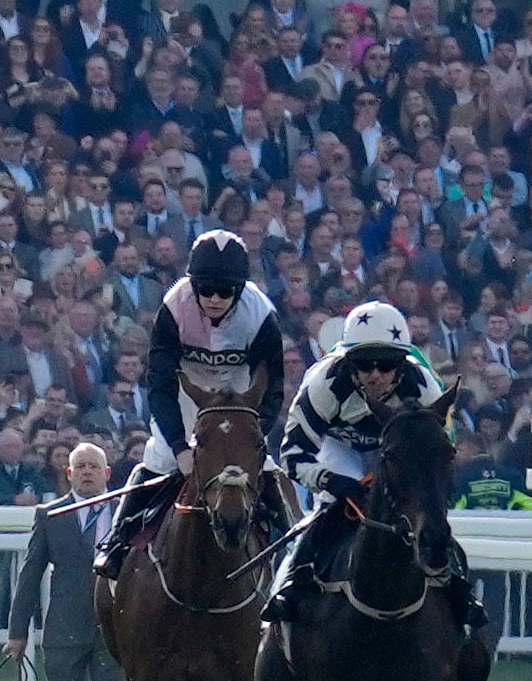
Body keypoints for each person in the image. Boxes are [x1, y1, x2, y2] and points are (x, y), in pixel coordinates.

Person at [115, 228, 294, 584]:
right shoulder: (173, 306)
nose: (213, 298)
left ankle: (292, 555)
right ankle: (115, 546)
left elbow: (273, 388)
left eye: (224, 291)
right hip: (186, 396)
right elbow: (161, 386)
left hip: (241, 399)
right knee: (159, 458)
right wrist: (180, 446)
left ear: (239, 290)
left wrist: (254, 437)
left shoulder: (261, 316)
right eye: (204, 289)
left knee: (266, 469)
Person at [264, 298, 445, 633]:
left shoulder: (423, 388)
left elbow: (435, 455)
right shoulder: (323, 383)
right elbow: (291, 454)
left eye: (386, 364)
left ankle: (455, 588)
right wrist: (330, 481)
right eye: (363, 364)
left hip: (393, 450)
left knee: (425, 507)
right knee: (331, 506)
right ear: (348, 362)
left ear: (402, 364)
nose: (375, 374)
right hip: (337, 447)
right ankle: (290, 583)